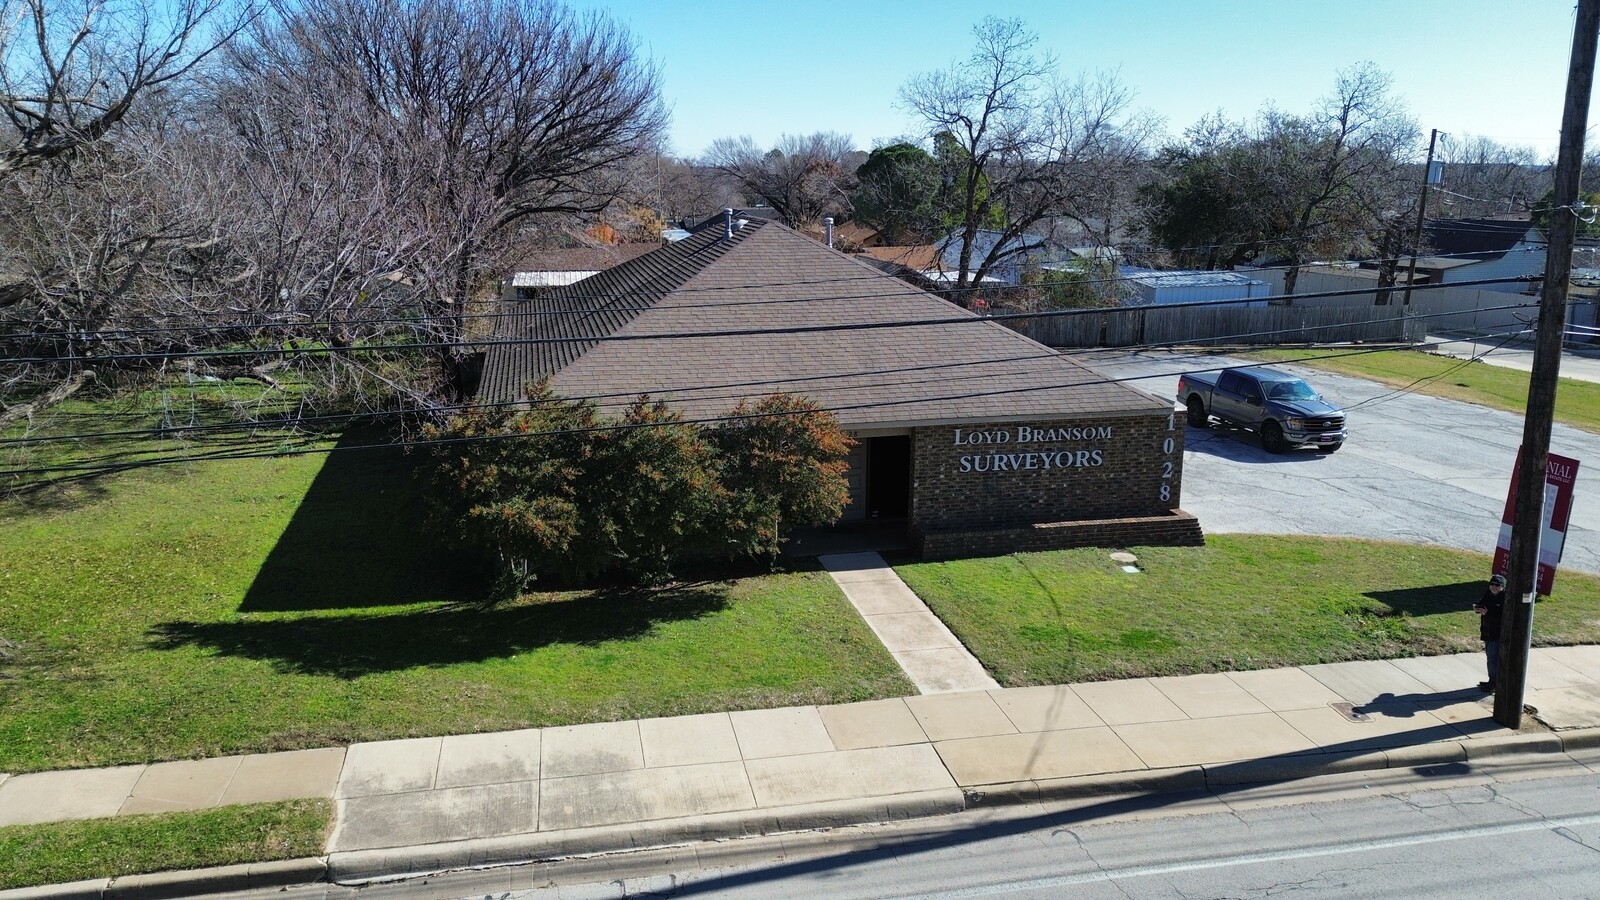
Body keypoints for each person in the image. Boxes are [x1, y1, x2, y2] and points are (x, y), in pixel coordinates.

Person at [1473, 574, 1507, 692]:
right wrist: (1478, 607)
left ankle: (1494, 684)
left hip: (1496, 634)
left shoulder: (1505, 598)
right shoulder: (1489, 594)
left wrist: (1488, 613)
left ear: (1502, 587)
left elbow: (1504, 617)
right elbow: (1482, 602)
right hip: (1487, 632)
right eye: (1491, 584)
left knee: (1493, 659)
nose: (1493, 587)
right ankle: (1492, 681)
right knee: (1490, 658)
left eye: (1497, 585)